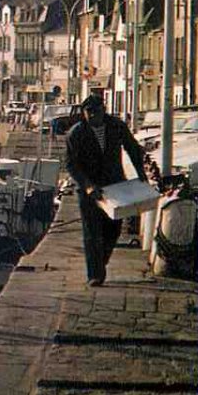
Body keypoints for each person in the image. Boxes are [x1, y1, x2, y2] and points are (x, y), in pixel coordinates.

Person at [65, 94, 147, 286]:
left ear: (104, 109)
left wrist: (140, 172)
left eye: (97, 111)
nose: (93, 115)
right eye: (89, 112)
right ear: (84, 113)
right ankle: (95, 274)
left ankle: (100, 263)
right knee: (92, 231)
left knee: (113, 229)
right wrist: (87, 186)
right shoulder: (75, 134)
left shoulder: (116, 126)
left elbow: (132, 148)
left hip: (115, 185)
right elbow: (71, 165)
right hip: (90, 190)